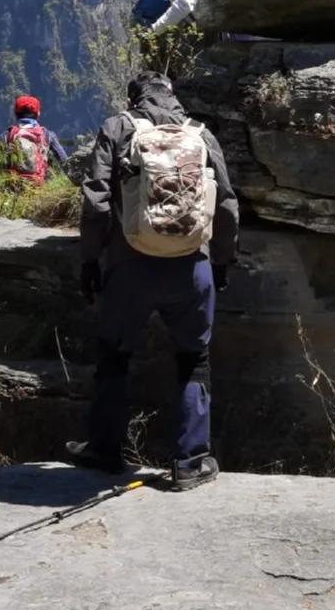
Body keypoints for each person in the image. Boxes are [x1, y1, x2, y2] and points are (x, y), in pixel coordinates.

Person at [69, 71, 240, 490]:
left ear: (134, 96)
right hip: (191, 266)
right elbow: (228, 205)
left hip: (130, 266)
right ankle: (189, 462)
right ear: (173, 96)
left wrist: (91, 260)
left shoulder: (118, 128)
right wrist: (220, 262)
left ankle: (105, 450)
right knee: (192, 360)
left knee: (114, 356)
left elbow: (95, 202)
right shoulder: (201, 135)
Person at [3, 94, 68, 185]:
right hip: (38, 184)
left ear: (16, 114)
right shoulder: (47, 134)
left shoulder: (8, 134)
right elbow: (64, 160)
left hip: (14, 185)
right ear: (38, 114)